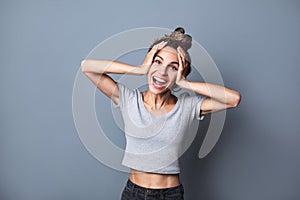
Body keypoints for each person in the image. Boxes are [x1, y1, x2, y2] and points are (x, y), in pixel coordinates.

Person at [81, 27, 241, 200]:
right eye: (157, 62)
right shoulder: (129, 99)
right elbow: (87, 67)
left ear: (180, 74)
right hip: (132, 193)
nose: (162, 73)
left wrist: (186, 84)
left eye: (173, 67)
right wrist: (139, 69)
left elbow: (233, 99)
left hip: (169, 195)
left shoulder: (186, 107)